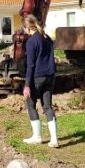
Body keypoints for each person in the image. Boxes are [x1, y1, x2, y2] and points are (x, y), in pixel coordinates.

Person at [21, 14, 59, 147]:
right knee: (47, 106)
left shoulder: (31, 41)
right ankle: (54, 140)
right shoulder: (46, 37)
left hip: (37, 77)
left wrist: (27, 85)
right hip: (50, 76)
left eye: (23, 28)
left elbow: (31, 65)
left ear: (27, 27)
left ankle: (37, 136)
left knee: (30, 104)